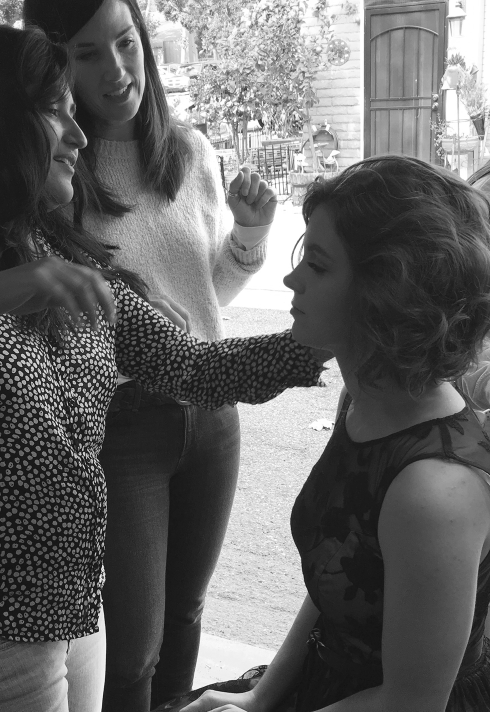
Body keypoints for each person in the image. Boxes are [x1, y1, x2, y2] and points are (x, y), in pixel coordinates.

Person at [0, 24, 323, 712]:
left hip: (74, 610)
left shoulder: (68, 255)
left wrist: (322, 340)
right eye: (54, 110)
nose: (77, 134)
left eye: (74, 109)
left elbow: (195, 368)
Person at [165, 155, 490, 712]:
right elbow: (338, 587)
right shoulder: (364, 402)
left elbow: (411, 702)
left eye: (316, 265)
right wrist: (259, 698)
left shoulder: (435, 491)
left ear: (384, 293)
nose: (290, 279)